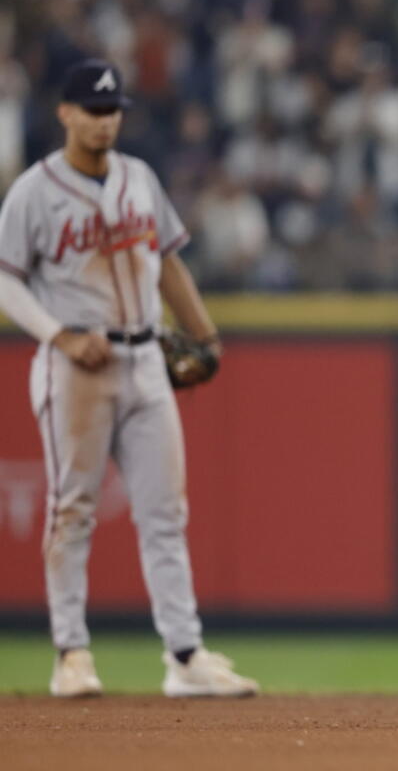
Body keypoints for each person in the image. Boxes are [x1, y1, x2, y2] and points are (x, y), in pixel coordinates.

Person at [0, 59, 258, 698]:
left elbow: (169, 263)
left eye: (112, 109)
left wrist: (206, 334)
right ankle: (71, 654)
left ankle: (185, 655)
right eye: (92, 108)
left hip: (146, 360)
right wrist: (58, 335)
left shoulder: (139, 179)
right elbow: (5, 277)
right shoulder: (35, 190)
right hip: (75, 366)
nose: (104, 120)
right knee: (73, 508)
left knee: (165, 513)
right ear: (65, 113)